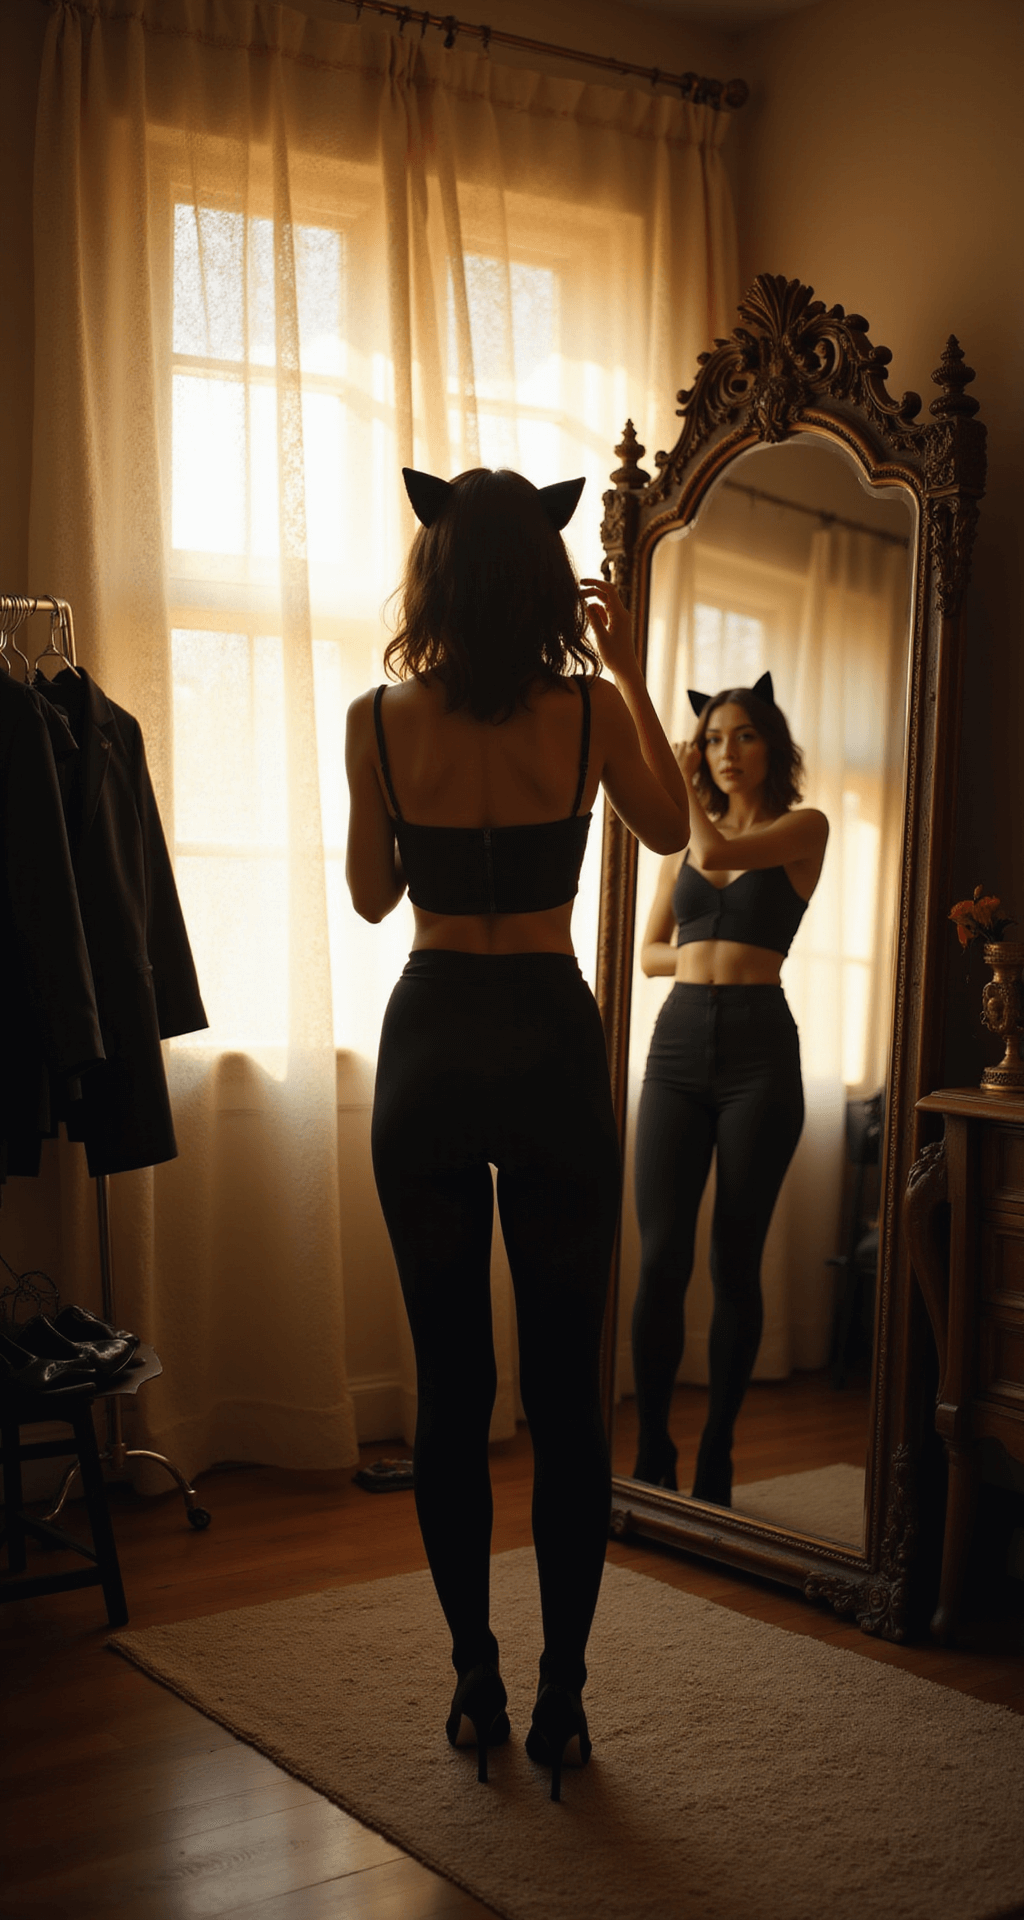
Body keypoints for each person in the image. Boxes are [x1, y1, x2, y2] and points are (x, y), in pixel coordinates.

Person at [345, 465, 688, 1801]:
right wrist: (627, 671)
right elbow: (671, 826)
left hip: (431, 1045)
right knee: (561, 1395)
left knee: (451, 1391)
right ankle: (563, 1702)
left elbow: (377, 901)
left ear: (433, 575)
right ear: (549, 580)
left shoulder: (377, 718)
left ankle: (474, 1678)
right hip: (548, 1041)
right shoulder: (592, 710)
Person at [631, 674, 828, 1506]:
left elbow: (714, 856)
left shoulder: (801, 829)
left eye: (742, 735)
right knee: (660, 1260)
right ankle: (650, 1454)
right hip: (677, 1045)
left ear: (771, 745)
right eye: (712, 739)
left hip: (758, 1054)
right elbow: (650, 954)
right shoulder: (683, 841)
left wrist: (676, 784)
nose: (724, 753)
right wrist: (709, 957)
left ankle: (717, 1452)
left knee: (733, 1261)